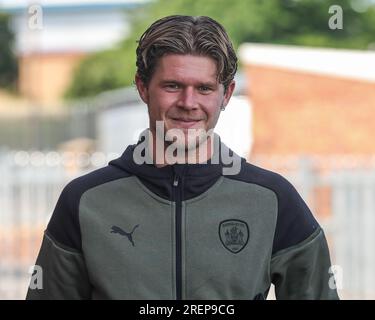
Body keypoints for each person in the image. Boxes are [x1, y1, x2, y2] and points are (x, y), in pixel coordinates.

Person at [26, 15, 339, 300]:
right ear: (142, 88)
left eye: (204, 88)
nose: (188, 102)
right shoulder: (84, 202)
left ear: (226, 94)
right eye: (172, 86)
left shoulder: (273, 200)